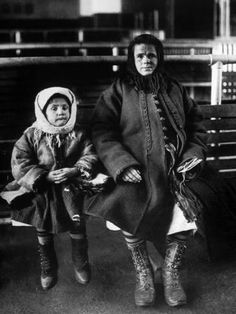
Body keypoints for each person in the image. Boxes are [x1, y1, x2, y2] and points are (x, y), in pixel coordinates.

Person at [84, 34, 208, 307]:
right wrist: (121, 164)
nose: (146, 60)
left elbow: (197, 127)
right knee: (127, 202)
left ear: (159, 57)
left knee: (190, 206)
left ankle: (170, 271)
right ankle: (144, 273)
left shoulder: (174, 87)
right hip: (137, 169)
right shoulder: (118, 90)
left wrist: (192, 156)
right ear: (132, 58)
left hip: (178, 169)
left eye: (151, 55)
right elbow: (102, 131)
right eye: (140, 56)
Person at [0, 87, 98, 290]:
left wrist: (76, 169)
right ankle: (48, 267)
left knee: (77, 224)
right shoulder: (32, 134)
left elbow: (91, 154)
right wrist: (43, 176)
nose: (61, 112)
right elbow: (20, 162)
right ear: (43, 112)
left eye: (65, 107)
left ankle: (81, 262)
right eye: (54, 108)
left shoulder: (79, 133)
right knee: (42, 224)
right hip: (42, 188)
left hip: (73, 185)